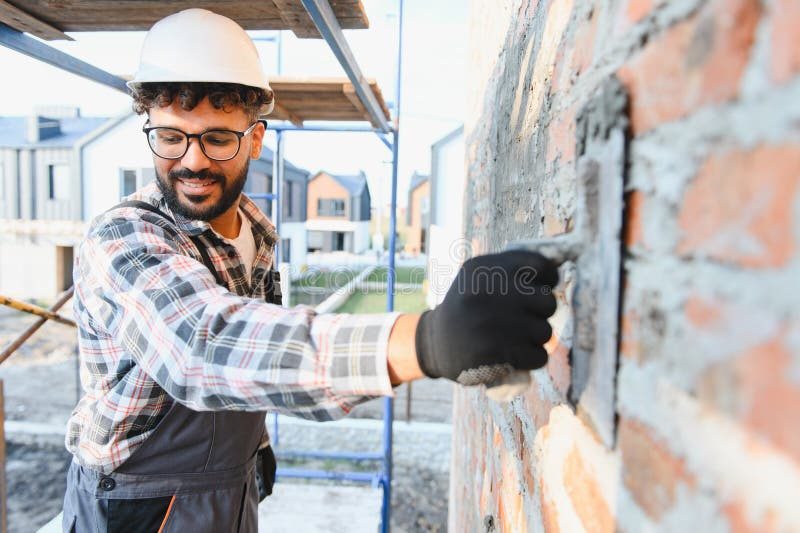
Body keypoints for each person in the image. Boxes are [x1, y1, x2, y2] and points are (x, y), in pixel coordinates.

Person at [61, 8, 558, 533]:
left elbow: (253, 362)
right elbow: (201, 349)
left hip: (228, 492)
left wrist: (256, 448)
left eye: (218, 138)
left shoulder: (258, 236)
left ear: (255, 138)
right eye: (169, 136)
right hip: (135, 509)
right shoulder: (122, 240)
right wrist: (426, 342)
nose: (192, 161)